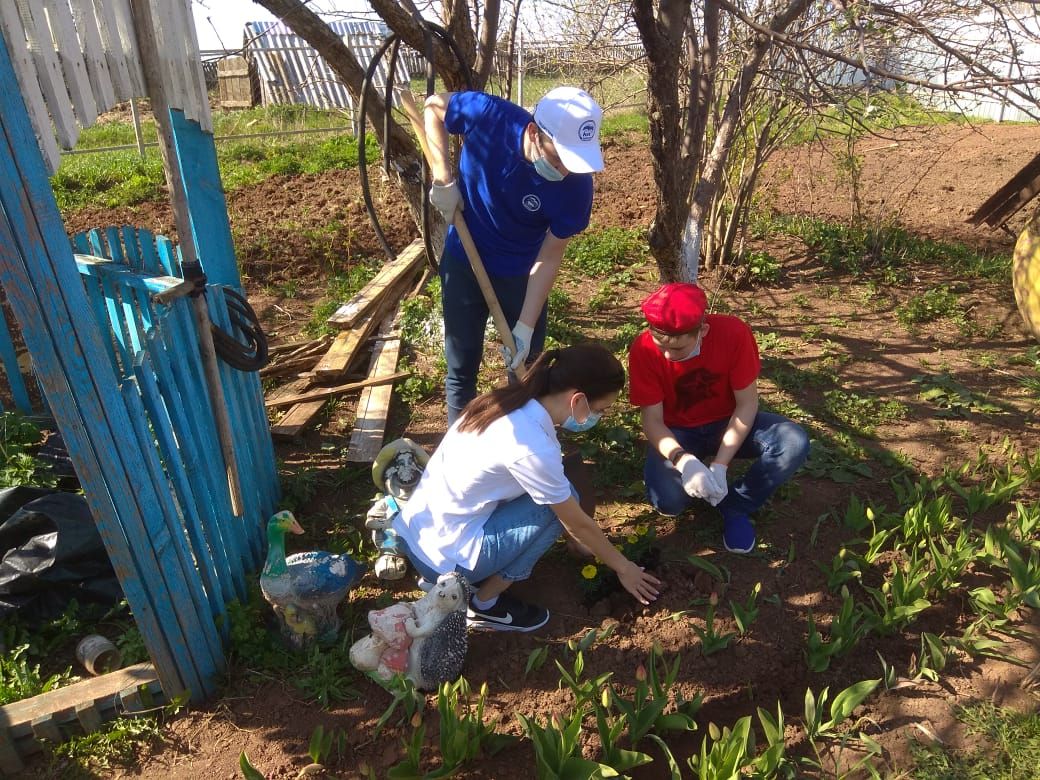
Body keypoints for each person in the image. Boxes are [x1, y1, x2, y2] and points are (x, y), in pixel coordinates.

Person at [392, 343, 661, 632]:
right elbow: (577, 524)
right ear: (578, 399)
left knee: (556, 494)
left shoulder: (502, 403)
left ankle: (472, 576)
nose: (598, 417)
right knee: (561, 502)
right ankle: (484, 604)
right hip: (444, 560)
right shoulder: (532, 445)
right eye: (599, 409)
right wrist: (624, 567)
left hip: (418, 534)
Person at [423, 87, 604, 425]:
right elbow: (433, 108)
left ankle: (516, 448)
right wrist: (442, 178)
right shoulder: (490, 116)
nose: (565, 170)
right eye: (557, 158)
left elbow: (549, 257)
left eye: (573, 162)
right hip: (464, 259)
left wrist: (525, 324)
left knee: (524, 374)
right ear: (535, 133)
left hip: (520, 276)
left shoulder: (577, 188)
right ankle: (457, 450)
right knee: (461, 365)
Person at [628, 283, 810, 553]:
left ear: (702, 330)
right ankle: (695, 475)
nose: (668, 356)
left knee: (793, 443)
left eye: (678, 350)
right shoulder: (643, 349)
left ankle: (737, 504)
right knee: (668, 502)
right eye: (661, 345)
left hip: (728, 421)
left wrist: (721, 464)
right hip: (677, 431)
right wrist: (683, 460)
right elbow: (652, 420)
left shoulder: (733, 334)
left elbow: (747, 405)